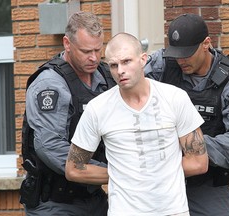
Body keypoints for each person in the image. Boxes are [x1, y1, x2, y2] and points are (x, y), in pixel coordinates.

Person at [65, 32, 209, 216]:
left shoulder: (174, 98)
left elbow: (198, 161)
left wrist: (155, 172)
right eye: (113, 65)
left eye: (127, 62)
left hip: (172, 210)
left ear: (143, 59)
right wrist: (122, 174)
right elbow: (74, 169)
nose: (120, 71)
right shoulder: (98, 108)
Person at [145, 13, 229, 216]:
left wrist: (190, 146)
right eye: (176, 53)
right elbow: (128, 91)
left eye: (187, 53)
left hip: (208, 185)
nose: (180, 60)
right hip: (160, 181)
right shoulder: (160, 64)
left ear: (206, 43)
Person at [19, 11, 116, 216]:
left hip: (94, 197)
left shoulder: (106, 78)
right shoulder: (50, 85)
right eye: (86, 51)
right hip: (54, 202)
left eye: (98, 50)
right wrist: (110, 172)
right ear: (67, 44)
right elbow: (50, 147)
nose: (94, 58)